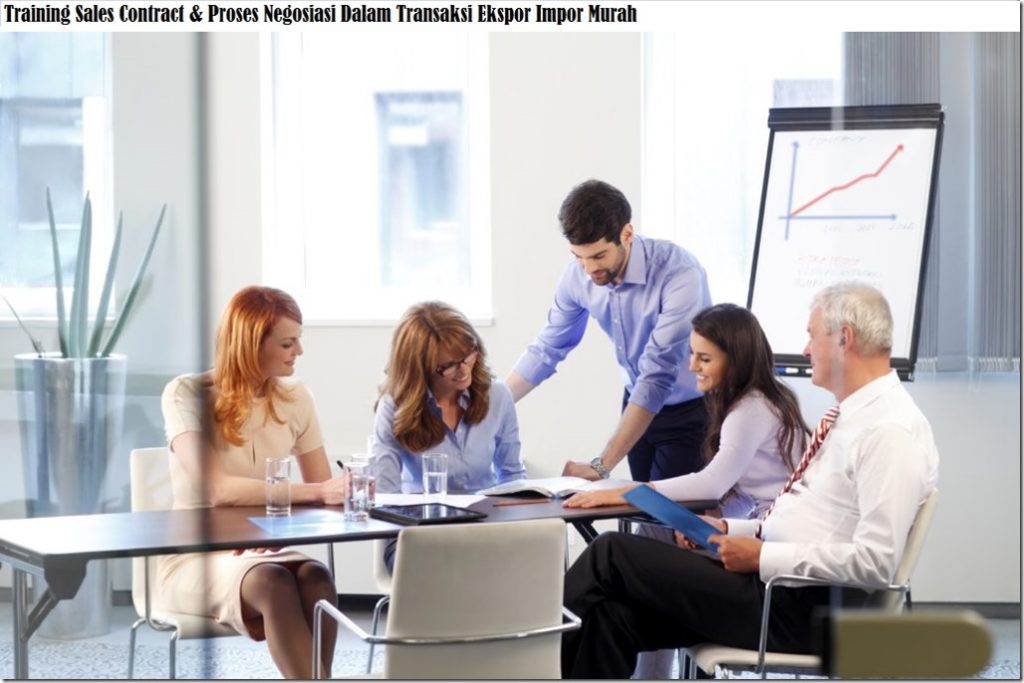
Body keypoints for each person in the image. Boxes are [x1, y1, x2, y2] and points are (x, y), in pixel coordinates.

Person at [561, 282, 940, 678]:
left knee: (611, 553)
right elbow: (813, 521)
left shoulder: (888, 432)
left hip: (801, 608)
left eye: (812, 336)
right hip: (780, 589)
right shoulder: (851, 418)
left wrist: (762, 556)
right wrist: (732, 530)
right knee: (610, 617)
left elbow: (877, 562)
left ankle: (527, 657)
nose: (805, 350)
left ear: (844, 339)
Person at [160, 286, 349, 679]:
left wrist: (324, 501)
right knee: (272, 582)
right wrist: (318, 493)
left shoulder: (296, 398)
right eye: (287, 343)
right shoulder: (185, 394)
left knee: (317, 577)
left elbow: (323, 494)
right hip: (197, 557)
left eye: (298, 340)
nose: (299, 351)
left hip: (262, 549)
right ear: (250, 345)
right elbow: (218, 490)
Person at [506, 179, 712, 484]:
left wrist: (601, 466)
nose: (589, 269)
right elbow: (547, 348)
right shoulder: (577, 275)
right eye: (579, 256)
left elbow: (658, 374)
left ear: (627, 234)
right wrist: (490, 406)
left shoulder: (679, 273)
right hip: (635, 401)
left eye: (599, 256)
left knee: (668, 511)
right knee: (638, 507)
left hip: (690, 411)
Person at [564, 302, 808, 520]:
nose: (692, 366)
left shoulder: (749, 411)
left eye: (704, 359)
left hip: (776, 531)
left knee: (614, 545)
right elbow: (749, 490)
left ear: (736, 360)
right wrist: (717, 520)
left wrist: (628, 493)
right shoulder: (762, 400)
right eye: (692, 354)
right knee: (646, 533)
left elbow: (712, 483)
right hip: (769, 524)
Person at [370, 301, 526, 569]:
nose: (464, 370)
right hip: (417, 533)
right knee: (456, 564)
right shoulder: (394, 406)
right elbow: (386, 496)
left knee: (539, 551)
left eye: (468, 356)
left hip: (485, 527)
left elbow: (512, 476)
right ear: (420, 368)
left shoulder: (497, 395)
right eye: (448, 366)